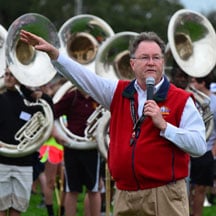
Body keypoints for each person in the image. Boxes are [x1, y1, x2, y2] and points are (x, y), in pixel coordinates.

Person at [20, 30, 207, 216]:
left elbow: (199, 145)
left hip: (165, 194)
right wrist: (55, 55)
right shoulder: (118, 92)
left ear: (162, 63)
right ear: (132, 64)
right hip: (125, 194)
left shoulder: (181, 99)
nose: (151, 62)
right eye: (144, 57)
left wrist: (165, 127)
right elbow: (85, 78)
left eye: (156, 57)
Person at [0, 66, 53, 216]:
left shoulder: (32, 102)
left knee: (18, 207)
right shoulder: (1, 98)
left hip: (24, 161)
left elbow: (50, 108)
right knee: (1, 207)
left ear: (20, 78)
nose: (8, 78)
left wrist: (37, 94)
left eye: (12, 75)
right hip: (2, 161)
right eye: (6, 74)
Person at [52, 88, 101, 216]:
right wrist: (55, 132)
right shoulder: (71, 96)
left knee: (94, 189)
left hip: (92, 148)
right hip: (71, 148)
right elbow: (51, 113)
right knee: (72, 189)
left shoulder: (98, 96)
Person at [189, 75, 216, 216]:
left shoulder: (215, 101)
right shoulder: (189, 98)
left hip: (205, 151)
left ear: (202, 83)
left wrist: (213, 152)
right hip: (188, 150)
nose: (191, 83)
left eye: (193, 81)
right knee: (185, 188)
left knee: (200, 189)